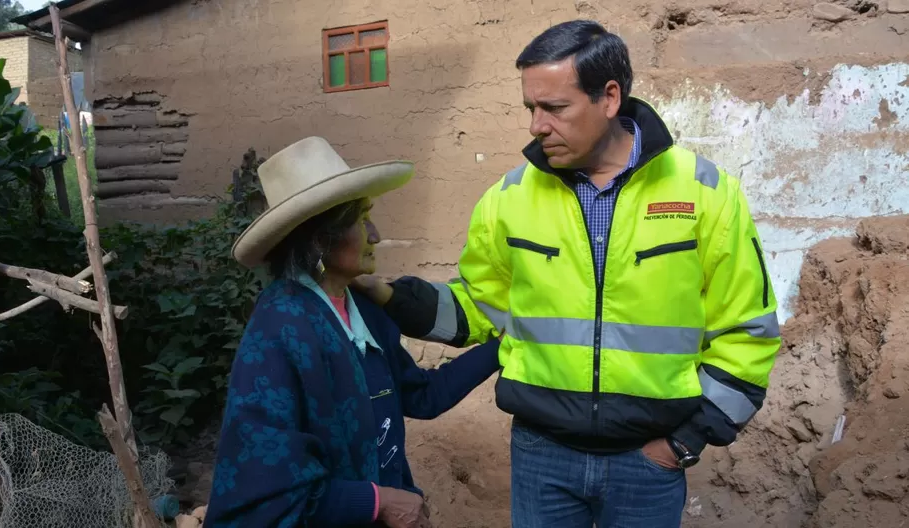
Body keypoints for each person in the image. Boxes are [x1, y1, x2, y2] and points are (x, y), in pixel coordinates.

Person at [352, 19, 782, 528]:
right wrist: (392, 297)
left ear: (610, 97)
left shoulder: (706, 193)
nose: (536, 125)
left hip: (648, 462)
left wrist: (682, 443)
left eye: (554, 108)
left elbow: (748, 332)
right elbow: (480, 309)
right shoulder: (508, 200)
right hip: (541, 455)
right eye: (530, 108)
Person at [203, 136, 502, 528]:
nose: (375, 235)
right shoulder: (280, 329)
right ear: (319, 239)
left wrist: (505, 345)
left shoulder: (362, 311)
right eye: (362, 220)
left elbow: (422, 396)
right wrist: (377, 501)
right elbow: (269, 487)